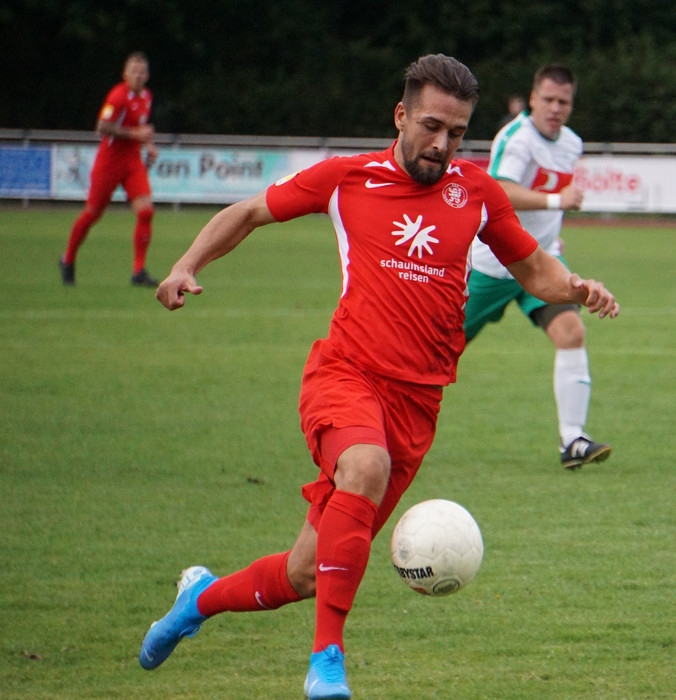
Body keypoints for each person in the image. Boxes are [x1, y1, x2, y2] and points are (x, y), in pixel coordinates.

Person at [138, 54, 618, 699]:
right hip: (346, 374)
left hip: (418, 405)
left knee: (306, 573)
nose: (442, 144)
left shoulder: (475, 191)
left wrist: (577, 287)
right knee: (364, 467)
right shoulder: (346, 179)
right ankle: (327, 661)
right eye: (431, 126)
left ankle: (197, 601)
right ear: (400, 116)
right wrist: (185, 263)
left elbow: (534, 272)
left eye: (457, 132)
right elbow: (249, 211)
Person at [465, 64, 609, 470]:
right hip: (492, 263)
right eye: (548, 99)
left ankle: (573, 440)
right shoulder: (516, 137)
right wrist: (556, 201)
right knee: (438, 353)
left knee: (571, 331)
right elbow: (499, 192)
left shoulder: (572, 143)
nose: (555, 108)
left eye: (563, 101)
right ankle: (386, 421)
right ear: (532, 99)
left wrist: (553, 229)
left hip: (541, 259)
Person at [59, 52, 160, 287]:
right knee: (92, 214)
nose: (138, 75)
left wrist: (149, 144)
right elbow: (102, 126)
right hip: (110, 162)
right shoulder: (117, 96)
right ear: (125, 74)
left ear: (147, 75)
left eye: (142, 71)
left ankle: (138, 272)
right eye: (134, 71)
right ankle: (68, 259)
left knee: (146, 212)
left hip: (132, 162)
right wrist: (136, 134)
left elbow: (140, 126)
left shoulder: (146, 96)